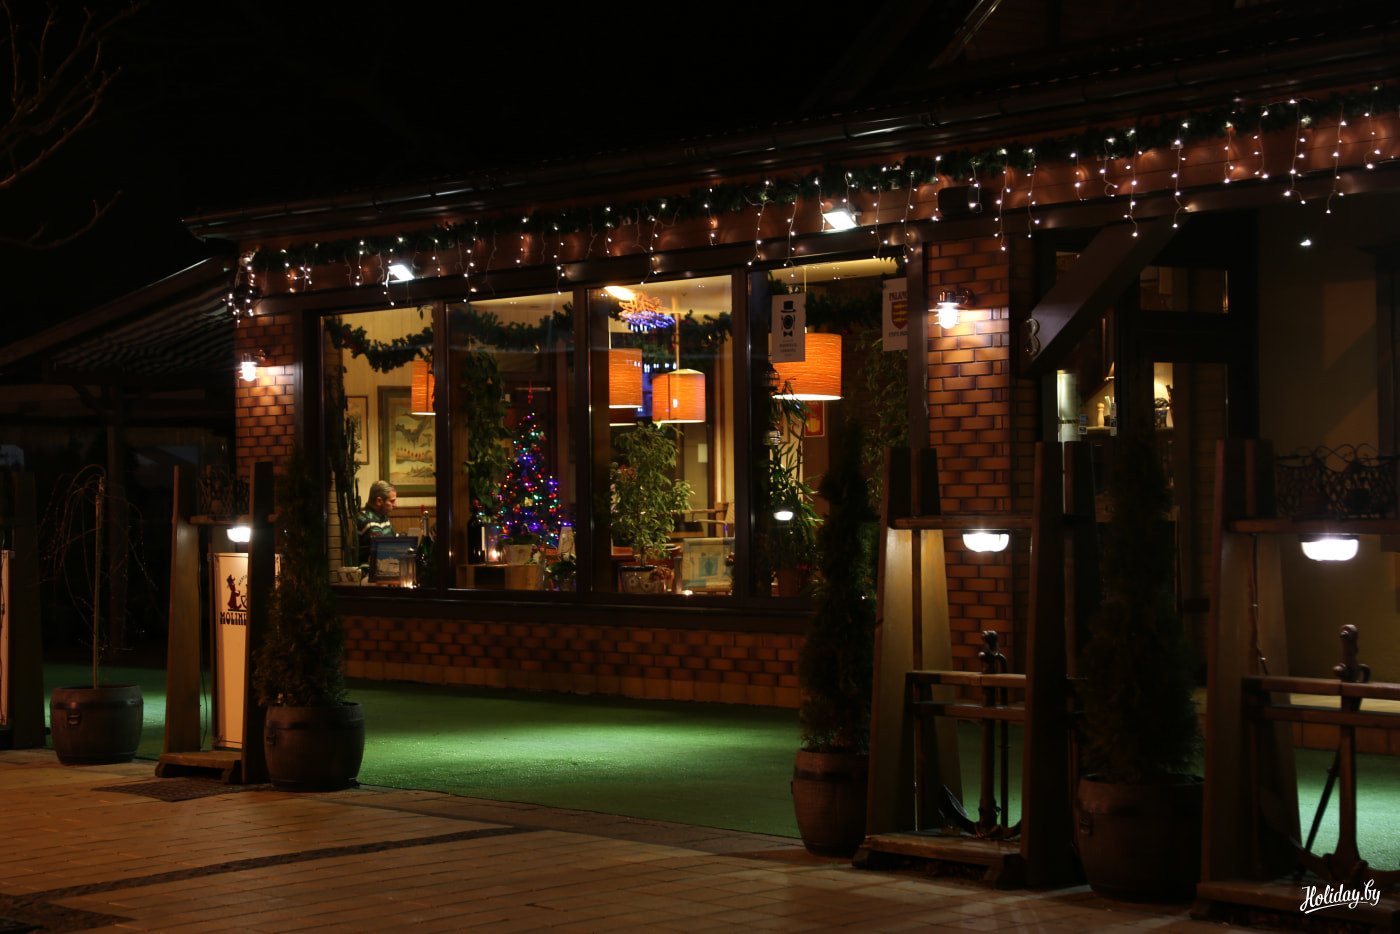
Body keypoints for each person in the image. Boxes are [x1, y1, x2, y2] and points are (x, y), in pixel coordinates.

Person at [356, 480, 396, 565]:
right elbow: (383, 549)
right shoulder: (365, 519)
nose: (396, 505)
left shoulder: (383, 517)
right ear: (379, 501)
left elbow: (393, 540)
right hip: (369, 569)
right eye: (392, 501)